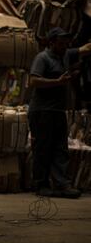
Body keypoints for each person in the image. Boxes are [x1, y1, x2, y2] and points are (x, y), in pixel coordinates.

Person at [29, 27, 91, 198]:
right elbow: (33, 81)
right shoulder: (42, 58)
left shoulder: (64, 54)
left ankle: (62, 184)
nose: (65, 46)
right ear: (52, 43)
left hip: (57, 110)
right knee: (43, 148)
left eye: (66, 43)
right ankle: (41, 185)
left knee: (60, 148)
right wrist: (58, 81)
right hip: (41, 111)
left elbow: (85, 49)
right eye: (61, 43)